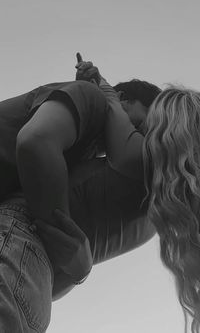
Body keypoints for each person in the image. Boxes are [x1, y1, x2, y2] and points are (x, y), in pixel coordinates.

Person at [0, 58, 160, 332]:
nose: (139, 137)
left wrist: (78, 272)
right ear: (121, 99)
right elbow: (35, 142)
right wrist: (58, 236)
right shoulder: (92, 99)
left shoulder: (80, 152)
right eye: (142, 125)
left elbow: (45, 283)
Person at [76, 60, 200, 333]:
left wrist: (106, 94)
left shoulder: (137, 163)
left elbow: (126, 150)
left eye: (140, 127)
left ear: (163, 133)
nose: (128, 133)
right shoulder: (155, 215)